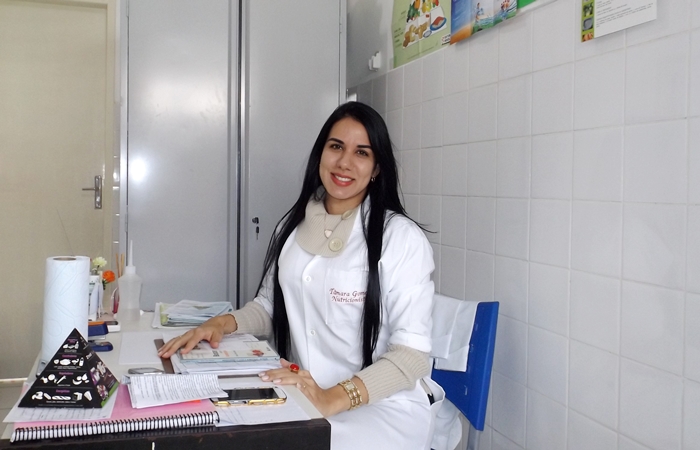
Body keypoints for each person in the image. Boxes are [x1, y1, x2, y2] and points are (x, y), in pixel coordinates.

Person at [158, 101, 437, 449]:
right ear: (321, 153)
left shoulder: (401, 238)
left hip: (380, 409)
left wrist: (332, 398)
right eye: (336, 146)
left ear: (377, 167)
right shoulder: (291, 228)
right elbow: (269, 306)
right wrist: (220, 324)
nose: (344, 162)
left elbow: (411, 356)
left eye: (361, 153)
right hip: (305, 395)